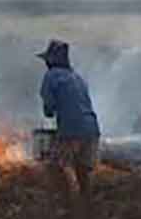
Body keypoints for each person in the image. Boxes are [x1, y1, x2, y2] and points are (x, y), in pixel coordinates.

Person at [37, 39, 100, 208]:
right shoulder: (77, 77)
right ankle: (90, 208)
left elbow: (49, 108)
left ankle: (74, 208)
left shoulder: (51, 76)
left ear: (51, 60)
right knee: (85, 170)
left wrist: (50, 112)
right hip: (92, 129)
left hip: (71, 130)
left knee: (64, 165)